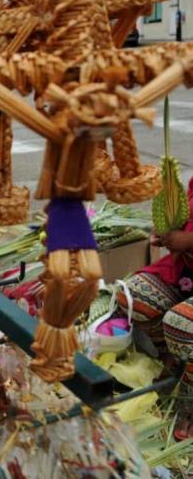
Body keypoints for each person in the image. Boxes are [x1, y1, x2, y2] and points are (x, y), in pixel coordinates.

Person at [117, 176, 193, 439]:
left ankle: (189, 397)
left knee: (181, 324)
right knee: (134, 297)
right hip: (186, 275)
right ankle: (175, 362)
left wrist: (189, 240)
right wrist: (167, 232)